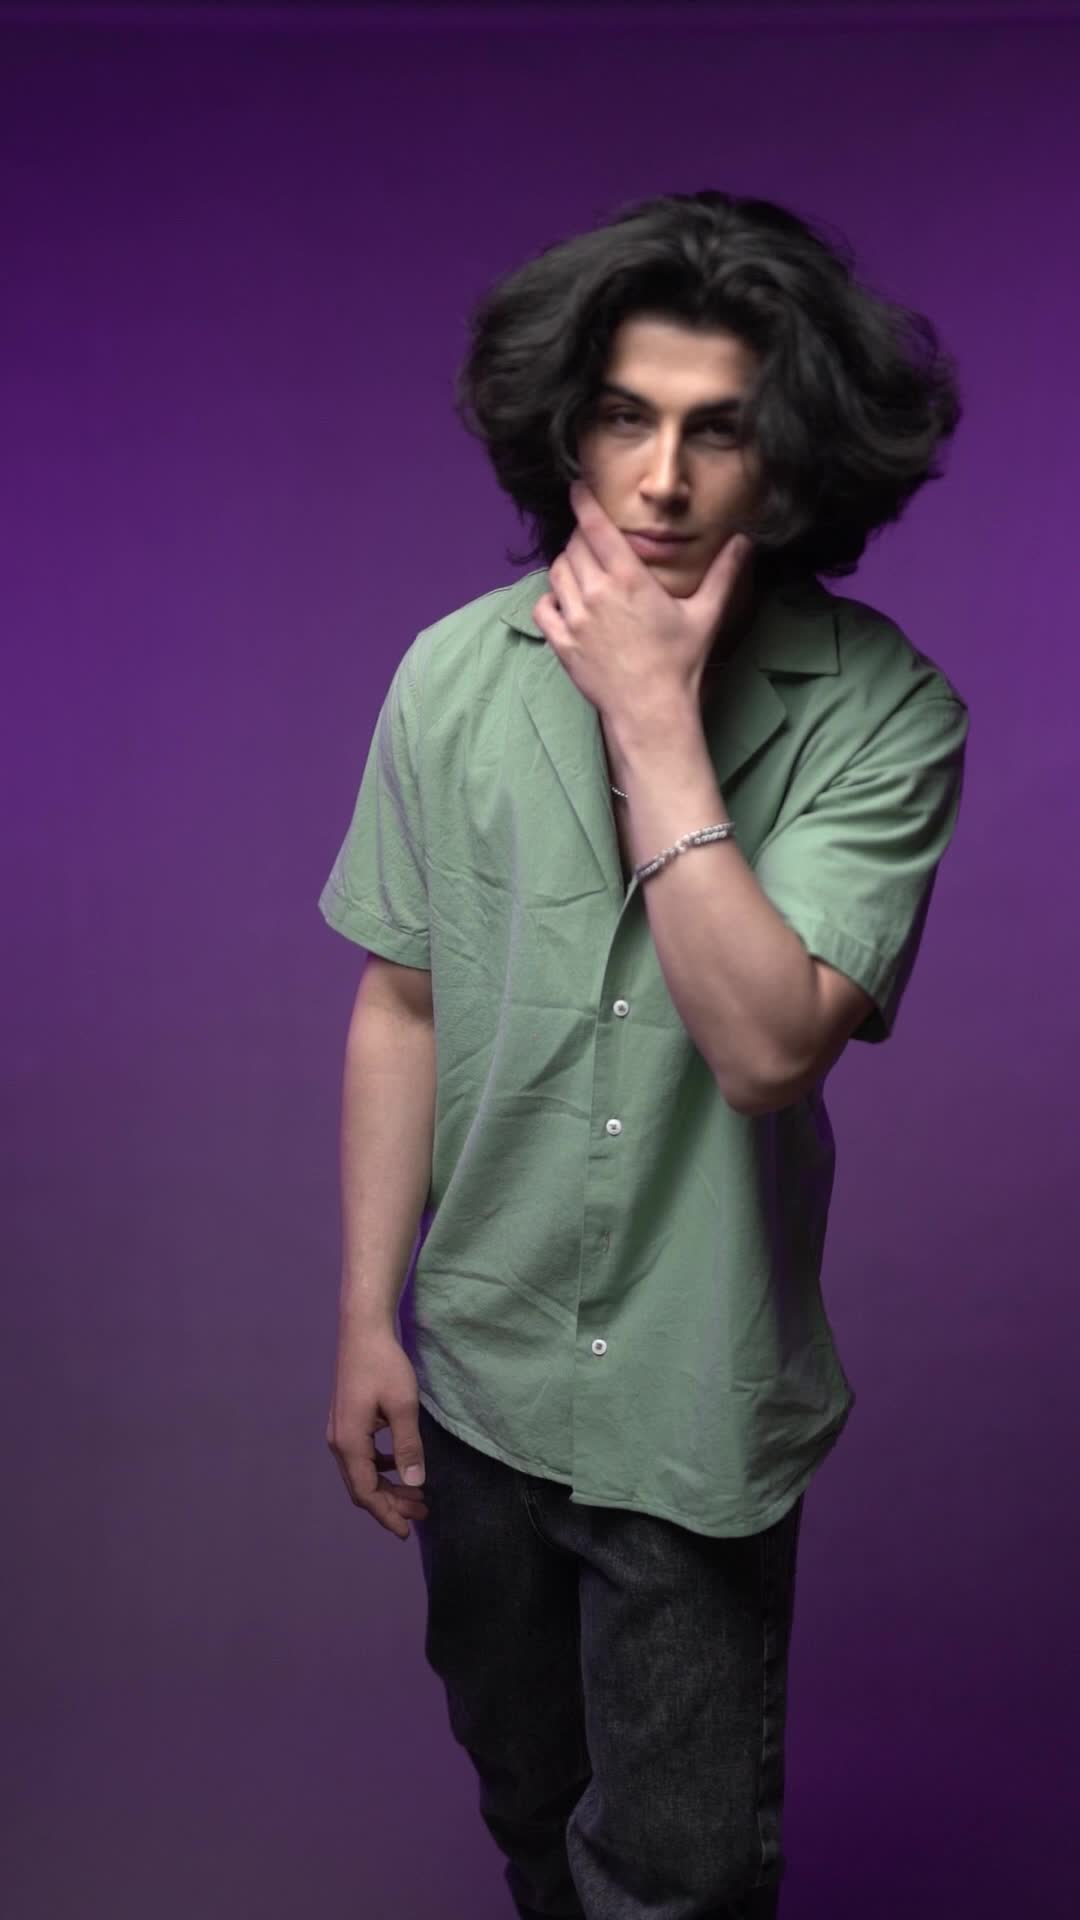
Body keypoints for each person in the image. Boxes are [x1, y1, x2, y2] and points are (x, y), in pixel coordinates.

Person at [319, 189, 969, 1920]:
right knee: (531, 1810)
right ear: (566, 428)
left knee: (672, 1883)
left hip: (695, 1408)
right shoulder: (447, 680)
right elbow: (402, 1004)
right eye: (625, 417)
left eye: (719, 430)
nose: (663, 480)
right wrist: (366, 1317)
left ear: (796, 457)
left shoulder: (886, 714)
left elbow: (765, 1051)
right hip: (479, 1373)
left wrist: (655, 720)